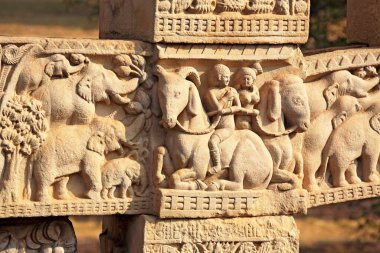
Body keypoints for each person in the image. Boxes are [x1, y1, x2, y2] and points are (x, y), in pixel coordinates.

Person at [204, 64, 254, 175]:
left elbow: (239, 107)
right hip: (211, 124)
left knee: (213, 141)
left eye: (228, 77)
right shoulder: (210, 92)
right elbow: (217, 108)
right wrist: (226, 98)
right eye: (224, 77)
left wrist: (228, 110)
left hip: (226, 126)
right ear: (218, 78)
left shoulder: (232, 90)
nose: (227, 80)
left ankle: (217, 165)